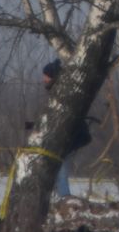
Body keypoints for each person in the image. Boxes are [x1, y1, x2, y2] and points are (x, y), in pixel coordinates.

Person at [41, 58, 96, 197]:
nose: (44, 79)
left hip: (71, 138)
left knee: (60, 171)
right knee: (56, 170)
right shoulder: (59, 91)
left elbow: (60, 118)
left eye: (46, 76)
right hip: (67, 138)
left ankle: (65, 199)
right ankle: (59, 198)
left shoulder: (61, 93)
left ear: (53, 77)